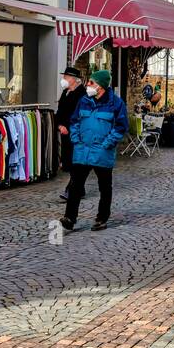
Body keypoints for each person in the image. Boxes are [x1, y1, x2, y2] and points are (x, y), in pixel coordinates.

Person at [60, 70, 129, 232]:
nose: (87, 85)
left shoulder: (116, 103)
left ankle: (101, 219)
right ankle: (70, 218)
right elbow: (75, 121)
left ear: (101, 86)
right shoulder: (84, 100)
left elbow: (121, 127)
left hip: (102, 151)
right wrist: (76, 140)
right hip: (82, 149)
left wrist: (107, 143)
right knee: (75, 186)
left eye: (91, 82)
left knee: (104, 187)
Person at [55, 67, 87, 202]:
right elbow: (61, 110)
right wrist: (59, 124)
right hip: (65, 132)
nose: (63, 79)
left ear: (74, 79)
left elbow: (78, 114)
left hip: (76, 132)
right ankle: (80, 189)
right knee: (69, 160)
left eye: (66, 77)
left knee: (76, 161)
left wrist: (67, 126)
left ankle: (72, 190)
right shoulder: (65, 92)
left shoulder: (82, 94)